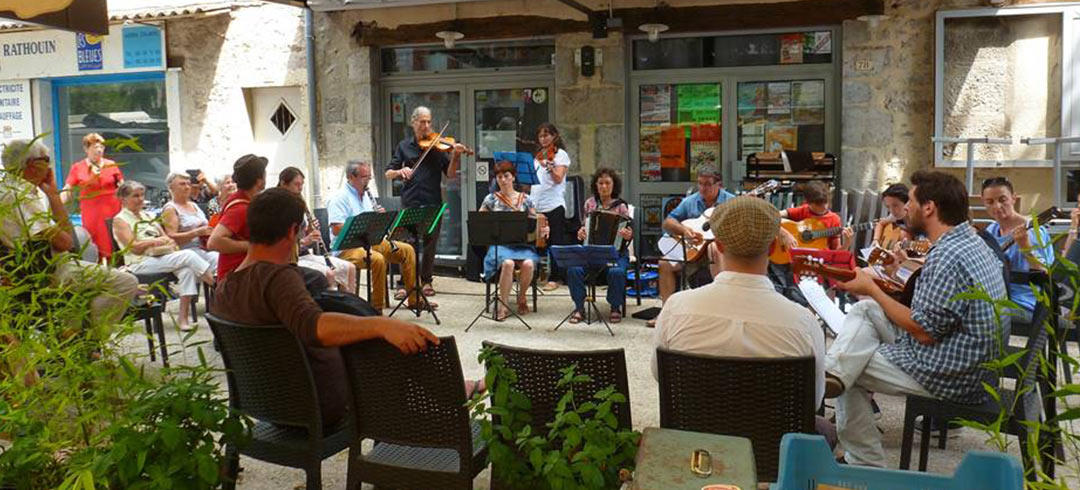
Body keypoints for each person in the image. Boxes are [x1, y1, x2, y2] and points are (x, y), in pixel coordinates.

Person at [213, 187, 440, 428]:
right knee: (372, 340)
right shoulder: (278, 277)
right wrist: (382, 324)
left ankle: (434, 389)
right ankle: (436, 396)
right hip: (316, 409)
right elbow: (314, 326)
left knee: (352, 319)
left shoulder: (225, 286)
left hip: (268, 406)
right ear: (293, 231)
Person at [824, 170, 1007, 467]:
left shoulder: (947, 256)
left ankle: (864, 464)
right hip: (966, 360)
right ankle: (832, 374)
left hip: (953, 374)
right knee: (865, 310)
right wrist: (885, 285)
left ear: (929, 207)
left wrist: (870, 287)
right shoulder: (970, 242)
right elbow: (932, 314)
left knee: (850, 370)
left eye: (909, 201)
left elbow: (923, 331)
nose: (905, 208)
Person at [651, 195, 827, 434]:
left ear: (719, 246)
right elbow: (812, 402)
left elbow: (661, 376)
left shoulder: (675, 308)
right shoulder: (802, 322)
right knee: (825, 429)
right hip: (773, 452)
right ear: (773, 247)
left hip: (696, 446)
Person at [0, 138, 138, 326]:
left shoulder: (9, 189)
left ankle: (73, 336)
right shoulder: (20, 196)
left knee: (86, 289)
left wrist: (52, 195)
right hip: (48, 270)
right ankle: (88, 342)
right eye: (46, 159)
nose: (50, 165)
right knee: (125, 282)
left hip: (36, 269)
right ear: (33, 164)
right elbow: (66, 242)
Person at [385, 106, 465, 297]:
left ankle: (426, 281)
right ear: (413, 123)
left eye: (429, 122)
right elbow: (388, 173)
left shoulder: (438, 147)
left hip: (433, 202)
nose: (426, 126)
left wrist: (455, 156)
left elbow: (451, 174)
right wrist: (400, 171)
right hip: (410, 202)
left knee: (430, 244)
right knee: (407, 244)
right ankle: (404, 283)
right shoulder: (403, 146)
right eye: (422, 122)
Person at [113, 181, 214, 331]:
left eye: (142, 195)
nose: (141, 199)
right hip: (139, 262)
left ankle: (183, 318)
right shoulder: (120, 220)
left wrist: (163, 242)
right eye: (135, 196)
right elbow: (133, 247)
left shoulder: (146, 215)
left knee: (187, 269)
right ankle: (217, 288)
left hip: (159, 257)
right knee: (188, 255)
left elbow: (168, 238)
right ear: (123, 199)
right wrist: (155, 241)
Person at [329, 161, 424, 311]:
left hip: (370, 241)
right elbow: (336, 229)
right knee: (377, 259)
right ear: (351, 177)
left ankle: (415, 299)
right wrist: (364, 223)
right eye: (364, 177)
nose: (367, 181)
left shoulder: (366, 195)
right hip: (347, 247)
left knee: (407, 250)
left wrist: (378, 218)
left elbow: (371, 223)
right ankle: (376, 308)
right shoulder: (340, 198)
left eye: (369, 177)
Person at [656, 164, 735, 314]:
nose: (703, 188)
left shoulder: (731, 202)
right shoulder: (690, 201)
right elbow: (668, 222)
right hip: (694, 252)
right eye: (700, 183)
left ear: (719, 184)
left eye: (707, 184)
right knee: (664, 263)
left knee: (714, 249)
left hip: (719, 252)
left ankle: (723, 309)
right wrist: (685, 230)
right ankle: (666, 314)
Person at [981, 177, 1054, 323]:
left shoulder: (1034, 232)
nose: (997, 206)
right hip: (997, 297)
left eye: (1003, 200)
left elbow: (1045, 274)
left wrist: (1025, 247)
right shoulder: (991, 230)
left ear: (1014, 198)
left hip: (1026, 303)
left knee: (974, 314)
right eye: (990, 202)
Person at [566, 167, 632, 324]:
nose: (604, 187)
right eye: (600, 183)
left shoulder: (621, 206)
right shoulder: (590, 204)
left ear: (613, 185)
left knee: (617, 272)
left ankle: (615, 306)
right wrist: (581, 233)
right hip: (591, 252)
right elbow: (584, 227)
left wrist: (627, 235)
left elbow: (628, 233)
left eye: (607, 183)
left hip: (614, 252)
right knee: (573, 269)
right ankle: (579, 307)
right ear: (595, 185)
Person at [480, 161, 544, 321]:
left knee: (529, 264)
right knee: (508, 264)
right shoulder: (490, 199)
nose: (502, 180)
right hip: (499, 245)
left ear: (513, 177)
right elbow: (479, 221)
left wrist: (544, 228)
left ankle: (521, 298)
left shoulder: (526, 199)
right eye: (499, 177)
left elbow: (536, 222)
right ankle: (503, 305)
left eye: (506, 176)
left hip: (521, 245)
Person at [278, 166, 357, 293]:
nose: (300, 188)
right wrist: (305, 241)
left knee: (350, 268)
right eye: (296, 184)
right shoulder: (277, 206)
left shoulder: (299, 202)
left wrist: (310, 229)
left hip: (304, 254)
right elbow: (281, 241)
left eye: (302, 184)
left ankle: (351, 305)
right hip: (290, 259)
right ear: (283, 184)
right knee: (329, 274)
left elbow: (302, 233)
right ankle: (332, 306)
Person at [61, 133, 123, 261]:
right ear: (86, 149)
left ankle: (118, 272)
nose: (99, 150)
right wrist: (57, 206)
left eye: (101, 147)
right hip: (92, 213)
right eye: (95, 147)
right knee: (94, 247)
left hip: (112, 211)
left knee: (115, 245)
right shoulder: (78, 167)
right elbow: (68, 189)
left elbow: (123, 188)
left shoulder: (111, 164)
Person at [208, 154, 268, 281]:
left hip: (247, 274)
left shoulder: (241, 201)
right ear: (259, 181)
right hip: (238, 279)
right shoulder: (240, 208)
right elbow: (214, 242)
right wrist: (254, 246)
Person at [531, 123, 573, 291]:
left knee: (555, 242)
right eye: (541, 136)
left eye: (547, 135)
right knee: (538, 241)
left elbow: (558, 178)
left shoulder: (560, 155)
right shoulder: (537, 156)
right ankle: (536, 274)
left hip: (553, 204)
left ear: (554, 136)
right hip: (537, 204)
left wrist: (549, 168)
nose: (543, 139)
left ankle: (555, 277)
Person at [161, 173, 218, 275]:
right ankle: (216, 286)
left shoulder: (194, 205)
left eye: (188, 184)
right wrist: (196, 232)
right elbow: (171, 237)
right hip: (185, 252)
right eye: (182, 184)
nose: (187, 187)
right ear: (171, 187)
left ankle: (224, 287)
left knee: (221, 258)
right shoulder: (171, 208)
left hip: (203, 249)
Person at [778, 180, 853, 251]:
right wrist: (784, 233)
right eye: (818, 204)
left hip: (821, 259)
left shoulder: (834, 219)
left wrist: (847, 243)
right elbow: (772, 216)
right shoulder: (803, 211)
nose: (824, 207)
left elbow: (836, 254)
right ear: (808, 202)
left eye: (825, 202)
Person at [870, 183, 913, 248]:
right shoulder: (893, 216)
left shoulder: (916, 220)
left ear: (907, 203)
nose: (892, 211)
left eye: (895, 205)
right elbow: (880, 223)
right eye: (888, 207)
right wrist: (876, 240)